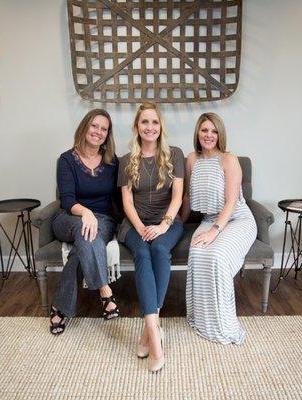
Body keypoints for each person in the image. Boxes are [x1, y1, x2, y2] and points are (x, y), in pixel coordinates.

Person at [118, 102, 184, 372]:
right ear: (137, 127)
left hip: (168, 223)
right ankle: (156, 339)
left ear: (160, 127)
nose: (150, 127)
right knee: (143, 252)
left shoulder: (174, 154)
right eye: (144, 122)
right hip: (134, 224)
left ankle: (148, 331)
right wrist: (142, 228)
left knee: (159, 250)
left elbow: (178, 196)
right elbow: (127, 203)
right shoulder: (126, 161)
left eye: (154, 122)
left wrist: (163, 225)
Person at [181, 112, 257, 345]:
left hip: (237, 220)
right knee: (197, 251)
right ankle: (203, 320)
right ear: (197, 132)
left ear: (220, 135)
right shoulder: (192, 159)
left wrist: (214, 231)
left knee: (216, 256)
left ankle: (223, 323)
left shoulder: (229, 159)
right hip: (209, 219)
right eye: (204, 130)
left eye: (214, 131)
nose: (209, 135)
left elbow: (231, 202)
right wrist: (176, 225)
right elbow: (185, 197)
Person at [49, 109, 120, 335]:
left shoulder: (112, 163)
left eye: (103, 128)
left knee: (84, 243)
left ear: (107, 135)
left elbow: (119, 197)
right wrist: (86, 213)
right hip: (69, 217)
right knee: (84, 228)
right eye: (94, 126)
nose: (98, 132)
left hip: (103, 220)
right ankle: (105, 290)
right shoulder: (67, 160)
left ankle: (61, 306)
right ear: (84, 127)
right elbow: (67, 199)